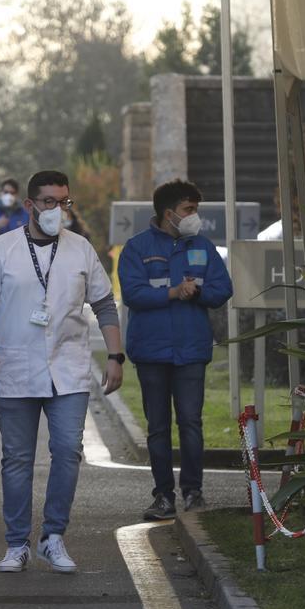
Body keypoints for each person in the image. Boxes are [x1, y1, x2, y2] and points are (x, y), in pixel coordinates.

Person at [0, 170, 124, 574]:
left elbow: (104, 305)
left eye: (64, 201)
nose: (58, 210)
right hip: (14, 366)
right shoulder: (2, 249)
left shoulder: (80, 249)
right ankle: (16, 543)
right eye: (50, 202)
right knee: (17, 459)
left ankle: (53, 537)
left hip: (68, 368)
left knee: (68, 451)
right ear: (30, 205)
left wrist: (116, 356)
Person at [119, 179, 233, 521]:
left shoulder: (202, 246)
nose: (193, 216)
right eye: (188, 210)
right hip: (152, 351)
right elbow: (133, 294)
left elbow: (222, 287)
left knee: (191, 422)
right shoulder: (137, 248)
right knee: (157, 426)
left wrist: (196, 293)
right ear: (169, 213)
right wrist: (172, 292)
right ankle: (163, 495)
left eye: (195, 210)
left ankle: (193, 492)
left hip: (191, 349)